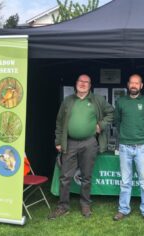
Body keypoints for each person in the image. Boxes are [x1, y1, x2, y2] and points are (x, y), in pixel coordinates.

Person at [49, 74, 114, 219]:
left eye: (86, 82)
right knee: (65, 176)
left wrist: (101, 125)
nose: (83, 84)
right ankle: (63, 206)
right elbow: (59, 122)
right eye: (80, 81)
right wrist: (58, 142)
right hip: (70, 142)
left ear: (90, 86)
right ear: (76, 83)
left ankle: (85, 204)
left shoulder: (97, 100)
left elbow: (111, 113)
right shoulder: (68, 101)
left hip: (89, 142)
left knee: (86, 176)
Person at [113, 74, 144, 224]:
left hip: (142, 147)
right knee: (125, 181)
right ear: (128, 84)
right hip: (124, 147)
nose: (134, 85)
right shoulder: (120, 101)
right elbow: (117, 121)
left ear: (141, 86)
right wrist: (124, 135)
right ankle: (123, 209)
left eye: (136, 83)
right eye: (131, 82)